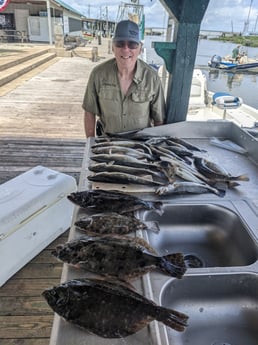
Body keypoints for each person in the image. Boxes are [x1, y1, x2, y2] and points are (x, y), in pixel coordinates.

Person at [82, 19, 166, 137]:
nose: (126, 49)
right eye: (120, 43)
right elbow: (89, 112)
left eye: (132, 44)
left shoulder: (152, 78)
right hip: (107, 144)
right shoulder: (98, 74)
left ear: (140, 48)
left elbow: (159, 120)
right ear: (113, 47)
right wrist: (90, 144)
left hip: (140, 146)